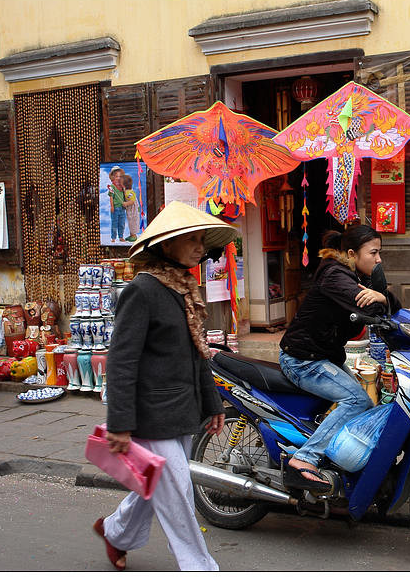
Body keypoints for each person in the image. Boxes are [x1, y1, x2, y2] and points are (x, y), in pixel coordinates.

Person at [93, 201, 238, 571]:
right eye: (191, 239)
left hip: (181, 411)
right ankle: (200, 568)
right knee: (178, 494)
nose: (199, 247)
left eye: (202, 239)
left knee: (155, 483)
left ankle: (115, 532)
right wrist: (120, 423)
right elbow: (122, 360)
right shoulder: (142, 291)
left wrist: (212, 403)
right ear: (167, 244)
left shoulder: (185, 288)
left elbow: (198, 353)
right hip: (150, 415)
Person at [278, 225, 398, 491]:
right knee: (357, 400)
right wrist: (382, 299)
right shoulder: (335, 275)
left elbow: (387, 305)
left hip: (324, 356)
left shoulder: (356, 276)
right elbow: (370, 306)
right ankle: (305, 458)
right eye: (374, 253)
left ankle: (337, 461)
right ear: (352, 253)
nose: (378, 260)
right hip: (303, 359)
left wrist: (384, 298)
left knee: (366, 405)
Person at [107, 166, 127, 243]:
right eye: (116, 176)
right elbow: (111, 197)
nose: (118, 178)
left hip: (122, 208)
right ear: (113, 177)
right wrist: (112, 206)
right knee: (114, 223)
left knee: (121, 223)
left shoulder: (122, 186)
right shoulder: (112, 187)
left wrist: (125, 203)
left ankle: (121, 236)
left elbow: (124, 196)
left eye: (120, 176)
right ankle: (113, 237)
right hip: (115, 208)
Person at [121, 173, 140, 243]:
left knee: (133, 222)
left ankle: (134, 236)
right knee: (130, 222)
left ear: (124, 185)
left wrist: (126, 203)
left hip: (133, 210)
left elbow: (132, 201)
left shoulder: (129, 192)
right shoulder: (127, 191)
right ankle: (131, 235)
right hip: (131, 210)